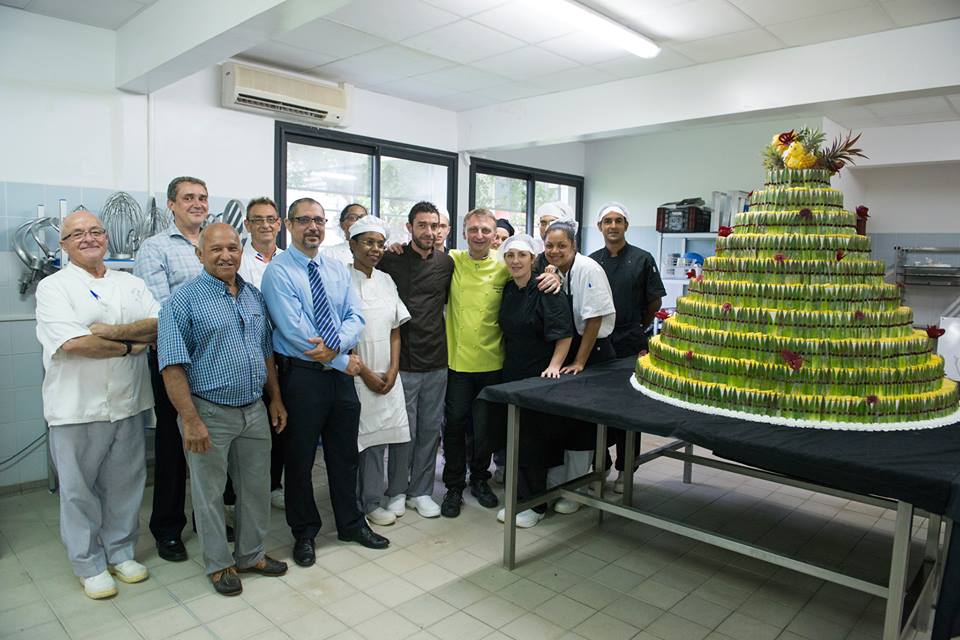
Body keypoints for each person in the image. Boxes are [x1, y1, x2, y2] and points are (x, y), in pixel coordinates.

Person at [158, 223, 288, 596]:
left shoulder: (253, 296)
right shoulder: (182, 301)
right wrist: (191, 419)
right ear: (199, 254)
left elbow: (266, 353)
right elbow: (171, 366)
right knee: (210, 493)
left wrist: (274, 398)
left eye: (233, 248)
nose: (226, 255)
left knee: (256, 487)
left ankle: (251, 554)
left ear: (241, 251)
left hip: (253, 409)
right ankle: (219, 564)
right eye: (216, 249)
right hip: (209, 411)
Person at [36, 210, 158, 600]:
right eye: (77, 234)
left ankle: (121, 552)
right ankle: (88, 563)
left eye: (95, 231)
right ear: (64, 244)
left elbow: (157, 325)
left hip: (128, 402)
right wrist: (128, 345)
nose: (88, 238)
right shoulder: (53, 288)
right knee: (78, 489)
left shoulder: (132, 283)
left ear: (106, 237)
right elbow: (74, 344)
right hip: (76, 407)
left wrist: (104, 333)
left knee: (125, 483)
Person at [262, 197, 389, 567]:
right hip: (301, 378)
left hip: (340, 379)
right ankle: (304, 533)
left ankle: (351, 523)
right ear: (289, 224)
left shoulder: (336, 269)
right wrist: (341, 359)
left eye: (318, 220)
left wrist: (336, 352)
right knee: (299, 459)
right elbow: (294, 330)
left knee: (344, 454)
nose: (313, 227)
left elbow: (355, 317)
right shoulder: (279, 271)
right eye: (304, 220)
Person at [134, 176, 207, 562]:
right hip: (174, 360)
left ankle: (206, 520)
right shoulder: (155, 248)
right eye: (188, 198)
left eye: (202, 197)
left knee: (211, 444)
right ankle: (167, 529)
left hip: (213, 361)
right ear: (171, 205)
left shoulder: (214, 242)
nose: (197, 203)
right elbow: (162, 311)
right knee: (173, 446)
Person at [376, 202, 453, 519]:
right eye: (422, 225)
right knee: (401, 431)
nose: (429, 232)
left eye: (434, 226)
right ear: (409, 227)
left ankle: (420, 491)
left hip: (436, 360)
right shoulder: (391, 259)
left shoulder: (447, 263)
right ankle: (395, 491)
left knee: (429, 431)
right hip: (403, 361)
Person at [494, 233, 572, 528]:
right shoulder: (509, 290)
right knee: (516, 440)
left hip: (540, 374)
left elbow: (564, 334)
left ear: (533, 259)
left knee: (533, 442)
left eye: (522, 255)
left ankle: (535, 506)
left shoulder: (547, 288)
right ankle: (523, 498)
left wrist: (553, 366)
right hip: (512, 371)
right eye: (510, 255)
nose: (515, 261)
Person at [589, 203, 666, 493]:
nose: (613, 226)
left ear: (626, 226)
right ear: (599, 227)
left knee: (627, 409)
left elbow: (654, 302)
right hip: (598, 343)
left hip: (631, 343)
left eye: (618, 221)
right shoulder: (592, 261)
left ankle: (626, 469)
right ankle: (600, 464)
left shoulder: (642, 259)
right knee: (598, 407)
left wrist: (636, 327)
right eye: (607, 221)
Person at [543, 218, 617, 514]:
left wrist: (580, 361)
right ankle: (569, 482)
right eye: (549, 245)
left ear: (574, 246)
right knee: (567, 423)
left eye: (562, 245)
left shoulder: (587, 268)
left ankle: (578, 489)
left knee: (584, 426)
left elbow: (594, 319)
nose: (555, 250)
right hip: (575, 348)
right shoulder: (556, 270)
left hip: (594, 351)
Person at [348, 216, 411, 526]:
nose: (375, 248)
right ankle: (366, 502)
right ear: (352, 244)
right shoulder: (340, 280)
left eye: (379, 243)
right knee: (364, 441)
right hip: (357, 374)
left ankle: (377, 496)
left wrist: (394, 368)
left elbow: (396, 328)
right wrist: (366, 372)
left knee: (384, 438)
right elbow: (342, 335)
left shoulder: (386, 279)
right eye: (368, 242)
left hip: (388, 373)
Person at [237, 197, 287, 510]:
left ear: (280, 224)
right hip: (249, 355)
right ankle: (240, 493)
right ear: (247, 225)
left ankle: (273, 484)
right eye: (258, 220)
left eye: (271, 219)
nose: (265, 225)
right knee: (247, 426)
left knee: (280, 420)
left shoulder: (288, 259)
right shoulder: (237, 260)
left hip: (284, 352)